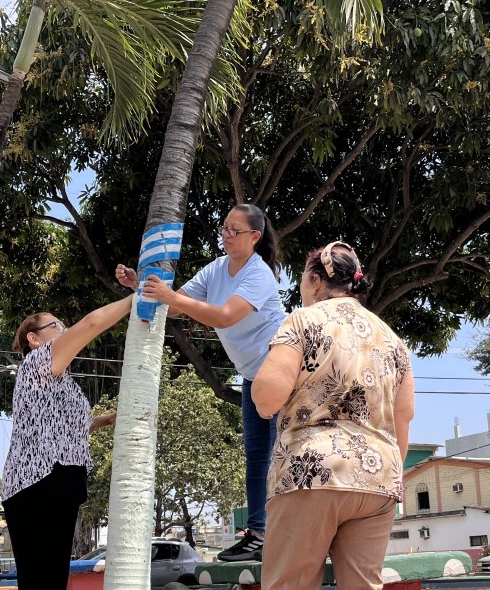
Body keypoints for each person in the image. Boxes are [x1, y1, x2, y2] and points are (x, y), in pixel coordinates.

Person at [116, 203, 285, 562]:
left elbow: (224, 317)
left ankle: (282, 533)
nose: (226, 235)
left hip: (284, 372)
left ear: (254, 237)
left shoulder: (260, 274)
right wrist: (141, 286)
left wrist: (170, 296)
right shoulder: (216, 270)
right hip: (254, 377)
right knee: (256, 458)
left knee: (283, 454)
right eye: (224, 228)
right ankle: (259, 535)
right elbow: (178, 306)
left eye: (234, 231)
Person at [252, 241, 415, 590]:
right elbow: (404, 420)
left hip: (311, 472)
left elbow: (266, 400)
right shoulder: (392, 340)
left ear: (314, 280)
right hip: (379, 479)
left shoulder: (302, 320)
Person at [0, 294, 131, 590]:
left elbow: (64, 427)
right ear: (34, 338)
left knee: (51, 579)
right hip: (35, 482)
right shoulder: (37, 363)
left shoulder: (63, 381)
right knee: (41, 579)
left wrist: (100, 420)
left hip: (61, 481)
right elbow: (91, 323)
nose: (65, 329)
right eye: (56, 325)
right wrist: (134, 299)